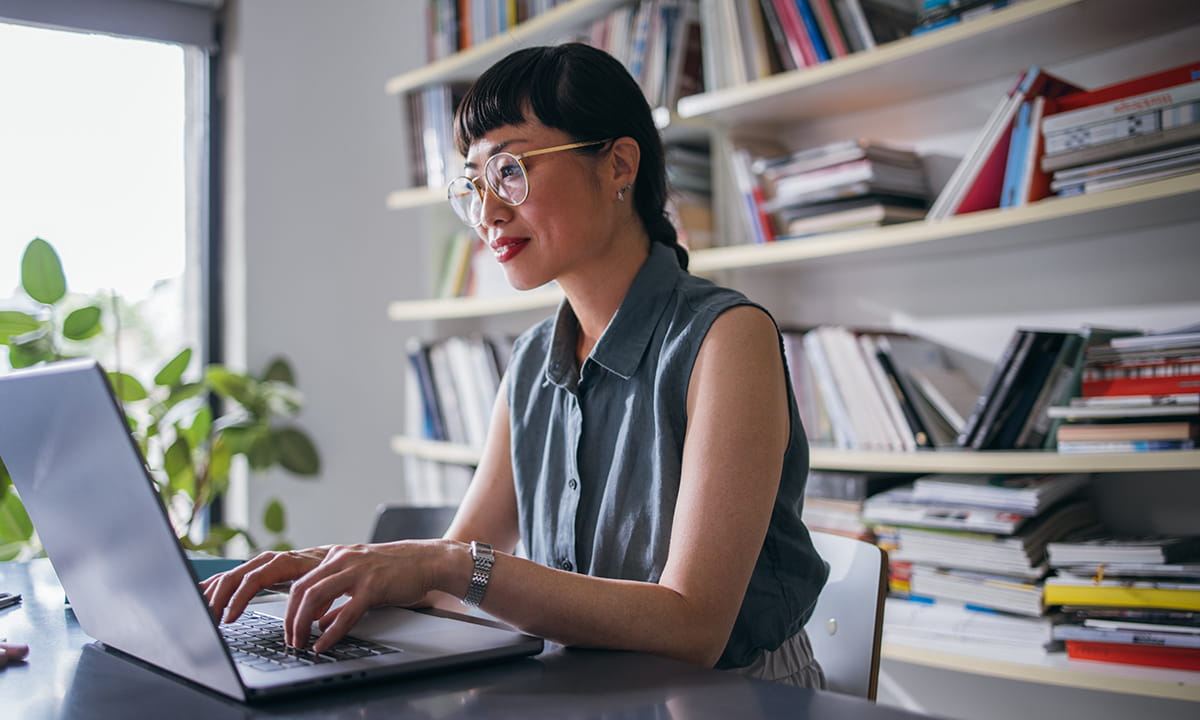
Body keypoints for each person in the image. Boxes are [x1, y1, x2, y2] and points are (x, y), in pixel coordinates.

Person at [203, 42, 828, 687]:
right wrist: (327, 569)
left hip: (739, 696)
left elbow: (692, 629)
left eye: (509, 169)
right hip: (591, 689)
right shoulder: (532, 361)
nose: (487, 212)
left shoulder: (728, 339)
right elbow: (445, 580)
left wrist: (451, 564)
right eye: (473, 183)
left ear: (618, 165)